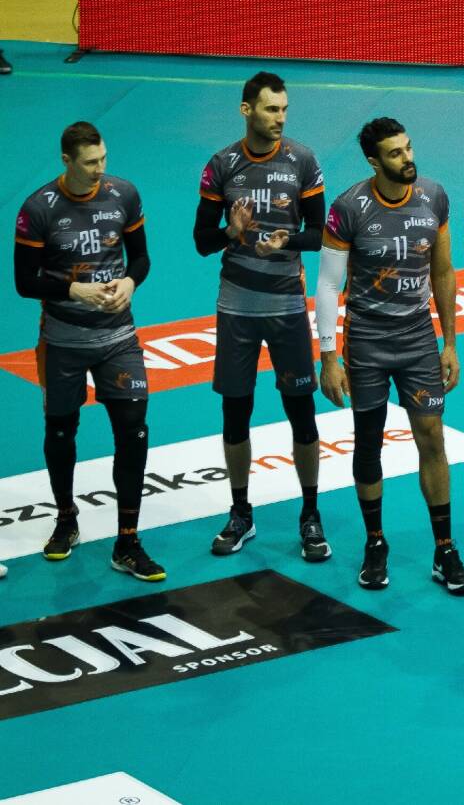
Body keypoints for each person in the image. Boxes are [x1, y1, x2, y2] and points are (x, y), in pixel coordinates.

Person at [315, 117, 464, 595]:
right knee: (368, 442)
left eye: (408, 149)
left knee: (432, 437)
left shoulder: (434, 197)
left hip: (417, 338)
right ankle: (375, 544)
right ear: (373, 161)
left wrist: (450, 342)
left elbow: (443, 271)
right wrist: (329, 357)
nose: (408, 159)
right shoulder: (348, 208)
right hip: (366, 340)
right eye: (395, 153)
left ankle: (445, 550)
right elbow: (328, 285)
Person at [13, 121, 164, 581]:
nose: (100, 169)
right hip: (63, 342)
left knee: (133, 431)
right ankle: (66, 519)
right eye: (90, 163)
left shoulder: (123, 195)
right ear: (67, 161)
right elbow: (24, 282)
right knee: (61, 432)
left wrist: (130, 282)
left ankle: (128, 541)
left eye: (103, 159)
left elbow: (141, 257)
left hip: (118, 338)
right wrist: (72, 290)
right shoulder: (38, 209)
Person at [195, 72, 329, 561]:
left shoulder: (302, 161)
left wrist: (286, 240)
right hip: (237, 307)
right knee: (236, 413)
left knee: (302, 413)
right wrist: (230, 233)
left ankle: (310, 515)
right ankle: (240, 513)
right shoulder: (221, 166)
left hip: (287, 305)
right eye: (272, 109)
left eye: (284, 109)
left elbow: (320, 233)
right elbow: (202, 241)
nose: (281, 118)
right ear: (246, 109)